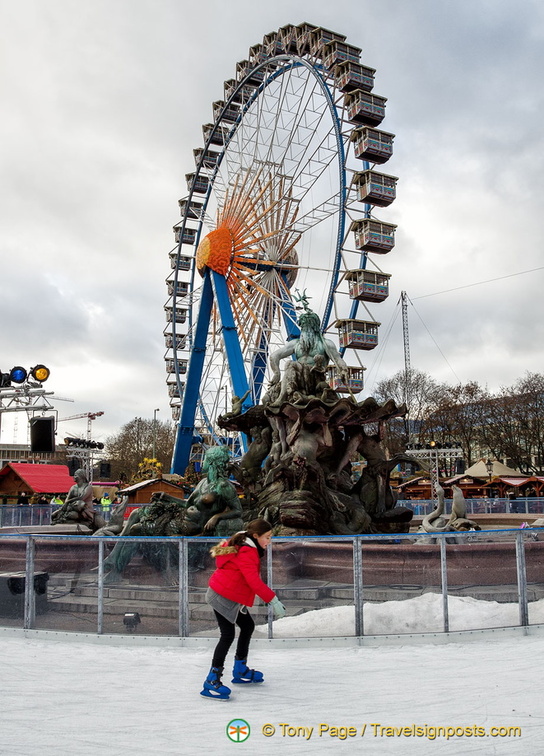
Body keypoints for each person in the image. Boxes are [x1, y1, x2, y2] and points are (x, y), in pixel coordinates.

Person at [201, 518, 286, 700]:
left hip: (232, 595)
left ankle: (240, 669)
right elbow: (253, 580)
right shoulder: (248, 551)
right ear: (256, 536)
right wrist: (272, 600)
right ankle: (212, 679)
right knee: (227, 635)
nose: (269, 542)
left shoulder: (247, 545)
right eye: (267, 537)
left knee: (247, 627)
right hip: (222, 596)